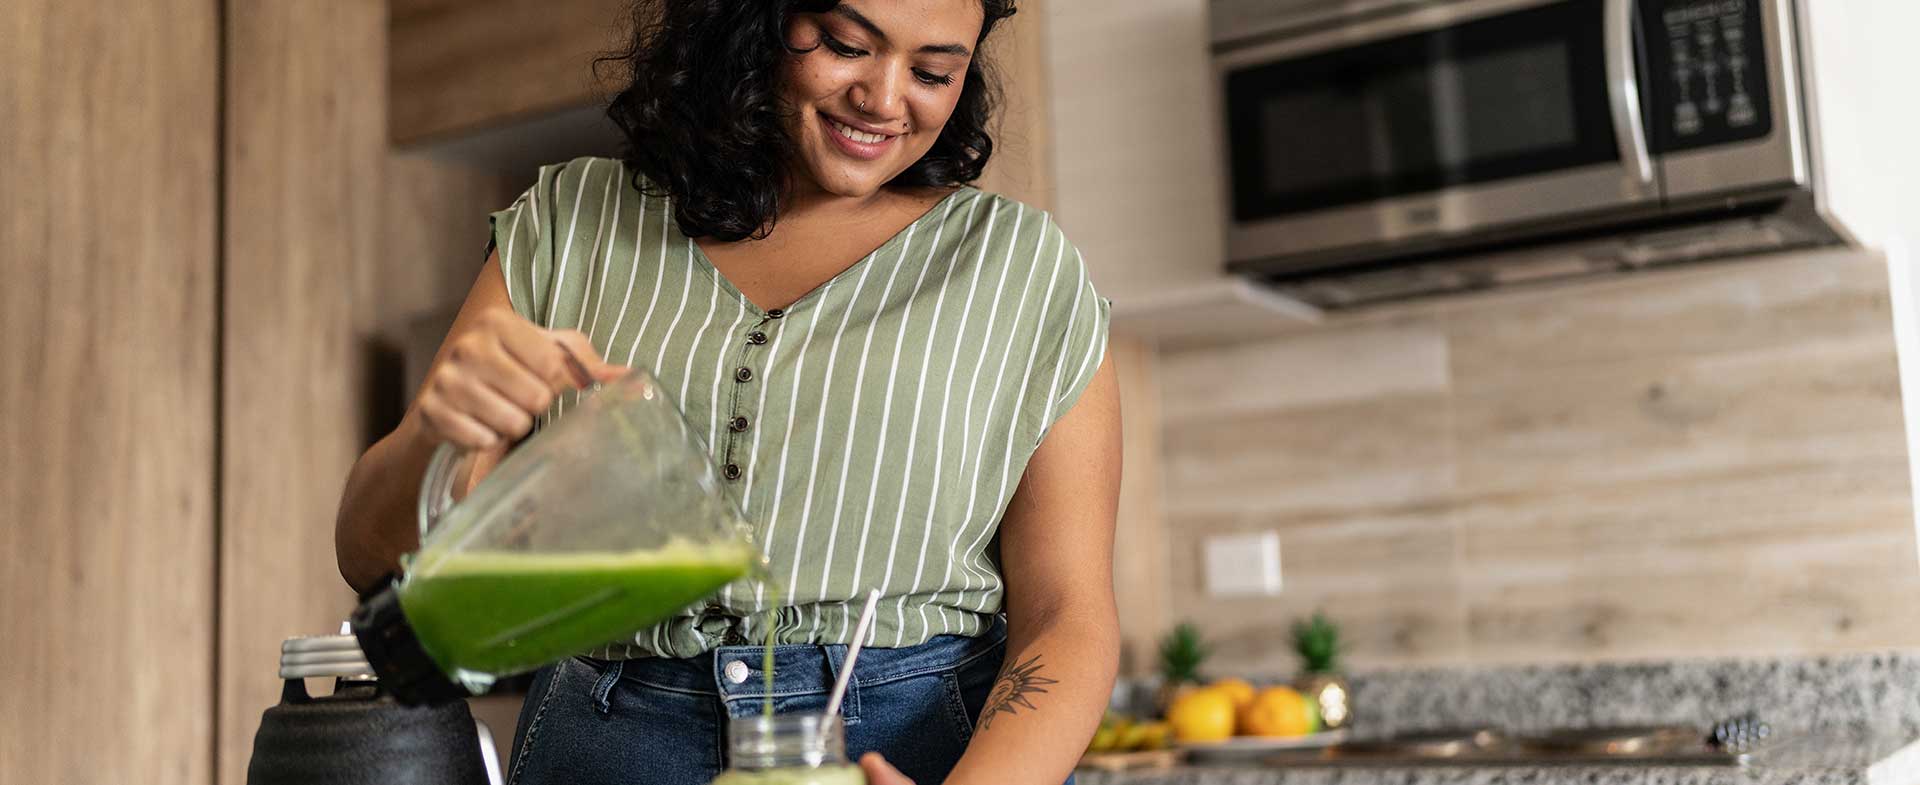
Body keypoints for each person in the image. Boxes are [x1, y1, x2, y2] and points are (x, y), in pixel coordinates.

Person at [334, 0, 1119, 782]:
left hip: (909, 750)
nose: (883, 99)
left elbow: (1067, 617)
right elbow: (366, 552)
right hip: (601, 745)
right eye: (847, 44)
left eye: (931, 72)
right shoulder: (570, 224)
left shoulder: (1023, 270)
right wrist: (439, 435)